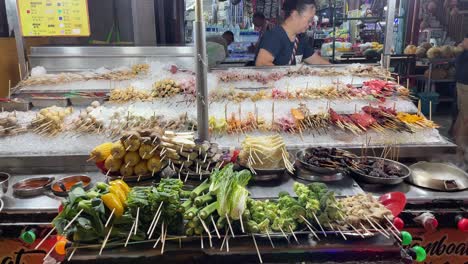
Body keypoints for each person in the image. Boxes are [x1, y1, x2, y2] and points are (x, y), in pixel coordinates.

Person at [255, 0, 329, 66]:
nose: (310, 24)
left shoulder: (300, 38)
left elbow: (316, 60)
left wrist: (336, 71)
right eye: (309, 20)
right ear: (295, 14)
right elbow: (262, 64)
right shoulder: (274, 36)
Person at [453, 34, 468, 154]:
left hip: (462, 82)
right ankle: (460, 149)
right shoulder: (463, 52)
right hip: (464, 84)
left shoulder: (463, 52)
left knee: (462, 115)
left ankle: (456, 143)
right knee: (465, 118)